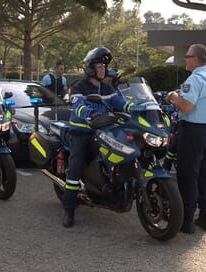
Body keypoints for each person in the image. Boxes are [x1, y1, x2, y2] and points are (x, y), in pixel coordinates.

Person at [62, 47, 133, 228]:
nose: (103, 70)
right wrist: (90, 115)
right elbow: (78, 106)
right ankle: (69, 210)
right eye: (100, 66)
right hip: (81, 132)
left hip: (104, 131)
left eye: (104, 66)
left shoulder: (108, 87)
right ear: (90, 68)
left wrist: (138, 109)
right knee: (76, 166)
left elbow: (121, 104)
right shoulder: (79, 86)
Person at [166, 44, 206, 233]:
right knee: (205, 177)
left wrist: (174, 96)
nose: (185, 59)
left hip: (192, 132)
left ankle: (187, 222)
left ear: (195, 59)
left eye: (187, 56)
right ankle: (205, 219)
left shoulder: (195, 79)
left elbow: (187, 107)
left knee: (188, 176)